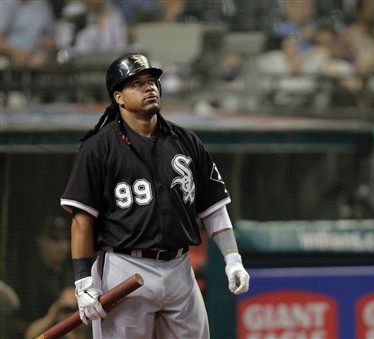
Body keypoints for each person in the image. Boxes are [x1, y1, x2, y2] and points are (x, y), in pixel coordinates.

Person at [60, 53, 250, 338]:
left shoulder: (185, 140)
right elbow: (82, 220)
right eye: (136, 83)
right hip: (124, 268)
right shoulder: (98, 148)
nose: (149, 87)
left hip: (179, 269)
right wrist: (83, 282)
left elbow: (213, 207)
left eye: (151, 81)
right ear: (119, 98)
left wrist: (232, 258)